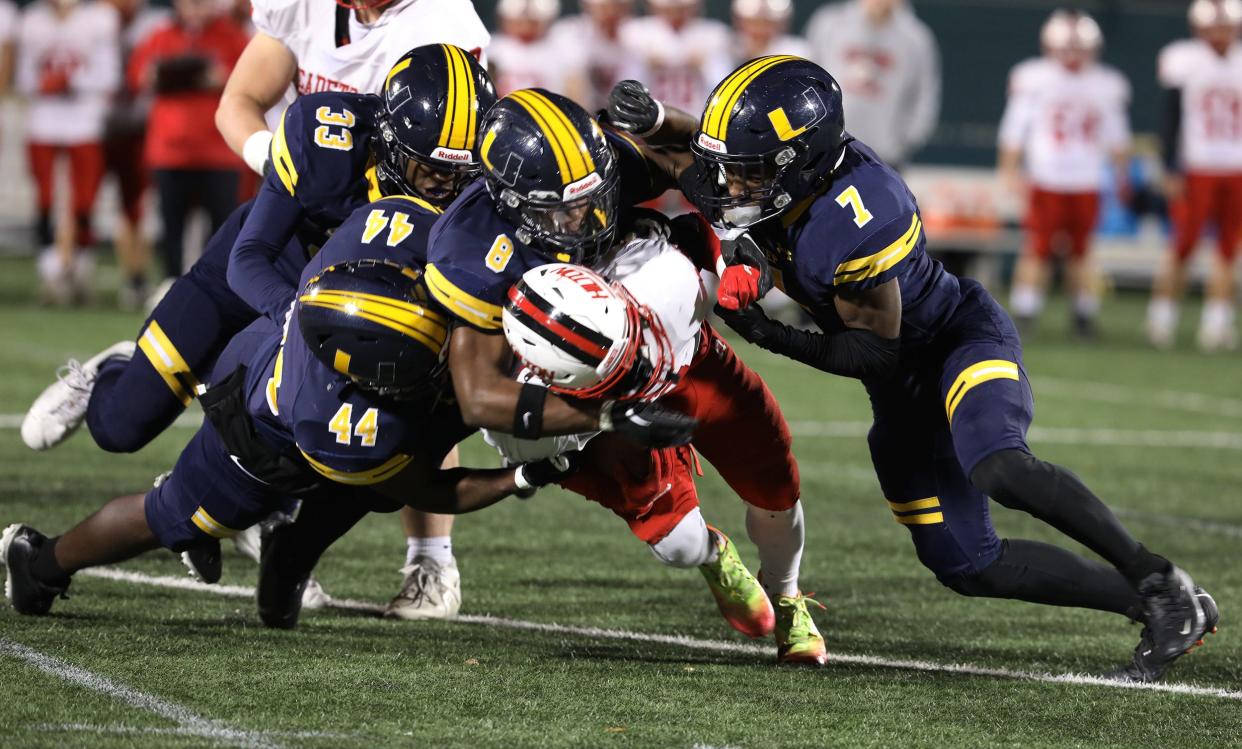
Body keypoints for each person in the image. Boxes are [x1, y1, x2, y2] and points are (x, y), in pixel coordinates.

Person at [624, 55, 1216, 683]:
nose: (732, 187)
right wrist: (658, 118)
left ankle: (1159, 577)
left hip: (953, 345)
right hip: (899, 397)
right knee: (968, 565)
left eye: (747, 173)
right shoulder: (783, 171)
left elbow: (872, 350)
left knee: (999, 465)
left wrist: (766, 332)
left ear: (796, 166)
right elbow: (707, 153)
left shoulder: (859, 217)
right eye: (733, 169)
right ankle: (1157, 608)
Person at [20, 46, 495, 618]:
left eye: (459, 170)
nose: (445, 184)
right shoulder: (327, 142)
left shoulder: (475, 178)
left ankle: (278, 543)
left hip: (338, 311)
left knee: (373, 447)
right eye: (430, 167)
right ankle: (110, 375)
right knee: (121, 427)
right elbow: (251, 254)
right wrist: (296, 314)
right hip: (258, 278)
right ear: (391, 142)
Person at [425, 88, 825, 664]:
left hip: (676, 341)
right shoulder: (470, 252)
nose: (583, 220)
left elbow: (699, 169)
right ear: (509, 200)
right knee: (680, 546)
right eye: (559, 211)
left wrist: (733, 245)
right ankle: (713, 555)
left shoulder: (602, 164)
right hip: (588, 392)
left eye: (591, 200)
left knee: (775, 480)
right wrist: (607, 414)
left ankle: (788, 597)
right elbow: (479, 395)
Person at [1, 260, 576, 626]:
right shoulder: (349, 423)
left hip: (284, 351)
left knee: (378, 475)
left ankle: (288, 556)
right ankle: (42, 563)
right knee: (178, 515)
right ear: (379, 377)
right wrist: (522, 476)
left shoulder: (371, 252)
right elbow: (432, 490)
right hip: (258, 435)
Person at [213, 0, 491, 618]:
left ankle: (431, 560)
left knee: (416, 381)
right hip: (321, 214)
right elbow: (237, 101)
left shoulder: (441, 25)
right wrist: (282, 167)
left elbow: (445, 136)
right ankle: (244, 493)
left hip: (403, 217)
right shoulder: (306, 18)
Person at [997, 10, 1130, 338]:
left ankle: (1083, 315)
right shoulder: (1034, 78)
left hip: (1086, 178)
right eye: (1066, 48)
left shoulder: (1105, 84)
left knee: (1081, 251)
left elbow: (1117, 138)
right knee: (1038, 248)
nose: (1072, 56)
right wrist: (1010, 170)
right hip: (1047, 177)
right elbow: (1015, 130)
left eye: (1079, 49)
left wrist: (1122, 173)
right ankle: (1026, 310)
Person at [129, 0, 250, 282]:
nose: (196, 8)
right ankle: (170, 283)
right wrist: (191, 75)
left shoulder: (232, 35)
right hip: (170, 151)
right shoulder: (161, 35)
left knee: (223, 227)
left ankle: (219, 285)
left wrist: (182, 76)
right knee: (171, 225)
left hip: (219, 150)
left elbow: (244, 80)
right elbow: (140, 76)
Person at [1147, 0, 1242, 351]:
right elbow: (1170, 118)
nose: (1220, 35)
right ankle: (1162, 317)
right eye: (1213, 28)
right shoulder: (1184, 59)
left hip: (1236, 167)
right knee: (1182, 246)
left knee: (1229, 249)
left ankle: (1216, 323)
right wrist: (1170, 166)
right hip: (1197, 165)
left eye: (1226, 27)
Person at [15, 0, 121, 304]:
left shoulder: (100, 18)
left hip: (83, 123)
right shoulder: (33, 20)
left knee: (85, 203)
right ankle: (50, 273)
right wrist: (44, 83)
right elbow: (24, 79)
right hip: (43, 122)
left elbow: (109, 75)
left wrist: (71, 80)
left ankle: (80, 271)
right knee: (45, 201)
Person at [805, 0, 939, 169]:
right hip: (826, 151)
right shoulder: (829, 23)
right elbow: (807, 79)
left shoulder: (917, 39)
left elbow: (924, 97)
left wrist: (902, 144)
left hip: (884, 159)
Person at [102, 0, 169, 310]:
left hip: (144, 125)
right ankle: (133, 276)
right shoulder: (96, 20)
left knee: (144, 206)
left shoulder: (156, 24)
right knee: (122, 206)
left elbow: (141, 77)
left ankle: (140, 276)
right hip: (101, 125)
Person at [622, 0, 731, 118]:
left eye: (681, 9)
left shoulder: (713, 34)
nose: (675, 13)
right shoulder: (636, 32)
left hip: (696, 114)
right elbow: (628, 81)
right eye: (669, 9)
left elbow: (721, 83)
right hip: (652, 115)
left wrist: (705, 65)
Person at [547, 0, 639, 112]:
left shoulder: (636, 35)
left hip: (621, 117)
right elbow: (574, 86)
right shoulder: (572, 33)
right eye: (604, 7)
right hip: (585, 115)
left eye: (617, 6)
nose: (611, 12)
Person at [490, 0, 585, 101]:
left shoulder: (562, 50)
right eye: (518, 22)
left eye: (533, 22)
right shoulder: (494, 49)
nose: (525, 28)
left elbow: (575, 95)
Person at [730, 0, 809, 64]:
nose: (760, 29)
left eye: (767, 23)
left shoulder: (796, 51)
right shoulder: (728, 47)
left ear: (781, 24)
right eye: (754, 22)